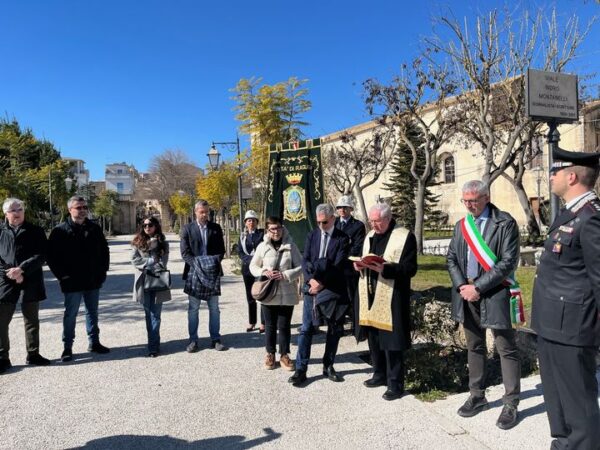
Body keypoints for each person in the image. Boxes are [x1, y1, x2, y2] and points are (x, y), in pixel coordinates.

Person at [531, 148, 600, 450]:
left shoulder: (591, 218)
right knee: (556, 392)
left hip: (573, 326)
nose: (550, 176)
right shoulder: (569, 212)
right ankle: (564, 440)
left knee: (578, 397)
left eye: (555, 171)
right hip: (551, 323)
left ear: (571, 176)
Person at [446, 180, 521, 430]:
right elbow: (452, 258)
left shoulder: (505, 223)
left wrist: (478, 287)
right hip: (466, 294)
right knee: (474, 346)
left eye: (474, 200)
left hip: (495, 293)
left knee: (505, 348)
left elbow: (508, 261)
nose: (470, 205)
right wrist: (462, 287)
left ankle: (511, 403)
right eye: (465, 201)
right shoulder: (461, 226)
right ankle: (477, 396)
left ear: (486, 197)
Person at [353, 202, 417, 401]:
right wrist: (359, 265)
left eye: (377, 221)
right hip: (370, 293)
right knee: (374, 339)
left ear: (388, 219)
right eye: (371, 221)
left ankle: (395, 384)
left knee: (392, 342)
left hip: (393, 296)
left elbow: (410, 269)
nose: (373, 225)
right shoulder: (370, 236)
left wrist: (386, 269)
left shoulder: (405, 236)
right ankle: (379, 374)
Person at [288, 203, 350, 387]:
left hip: (332, 289)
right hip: (312, 288)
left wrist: (322, 284)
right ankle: (301, 369)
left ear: (333, 219)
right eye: (318, 223)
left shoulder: (342, 238)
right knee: (306, 328)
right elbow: (305, 259)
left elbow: (337, 266)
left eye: (324, 222)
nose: (321, 226)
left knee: (334, 329)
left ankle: (328, 366)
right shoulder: (312, 235)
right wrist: (311, 281)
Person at [48, 196, 110, 362]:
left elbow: (104, 251)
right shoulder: (59, 231)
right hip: (71, 282)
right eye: (78, 207)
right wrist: (63, 276)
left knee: (92, 313)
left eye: (84, 207)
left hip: (92, 280)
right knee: (70, 315)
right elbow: (52, 258)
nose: (82, 210)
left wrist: (102, 272)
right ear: (70, 210)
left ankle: (94, 343)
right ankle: (67, 347)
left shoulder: (95, 228)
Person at [0, 198, 51, 373]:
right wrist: (10, 273)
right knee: (1, 321)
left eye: (20, 209)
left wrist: (21, 270)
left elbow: (42, 254)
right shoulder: (0, 231)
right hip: (5, 281)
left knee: (31, 320)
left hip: (31, 279)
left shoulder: (35, 230)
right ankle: (3, 358)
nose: (17, 212)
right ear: (6, 213)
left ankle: (33, 354)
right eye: (13, 210)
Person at [249, 217, 302, 370]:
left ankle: (284, 355)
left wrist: (286, 274)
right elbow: (253, 266)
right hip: (269, 293)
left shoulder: (290, 245)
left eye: (278, 228)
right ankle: (270, 354)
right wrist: (264, 271)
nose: (276, 231)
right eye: (272, 228)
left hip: (287, 292)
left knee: (285, 325)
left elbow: (300, 266)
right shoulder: (262, 247)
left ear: (282, 228)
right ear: (267, 230)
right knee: (270, 325)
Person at [180, 199, 227, 352]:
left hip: (212, 273)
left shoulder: (216, 228)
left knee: (214, 307)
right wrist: (199, 266)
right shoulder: (187, 229)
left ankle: (215, 339)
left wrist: (211, 264)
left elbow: (221, 250)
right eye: (202, 212)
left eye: (207, 212)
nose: (205, 215)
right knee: (193, 308)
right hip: (194, 273)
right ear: (196, 212)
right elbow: (185, 253)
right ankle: (193, 340)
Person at [131, 217, 171, 357]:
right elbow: (135, 260)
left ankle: (153, 345)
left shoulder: (163, 243)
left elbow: (163, 262)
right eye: (144, 225)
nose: (147, 227)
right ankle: (153, 343)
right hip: (144, 281)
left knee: (156, 315)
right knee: (148, 314)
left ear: (156, 226)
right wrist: (150, 260)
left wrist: (154, 252)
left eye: (150, 225)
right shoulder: (137, 242)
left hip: (158, 281)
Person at [334, 195, 366, 335]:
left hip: (349, 265)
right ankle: (338, 325)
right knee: (338, 297)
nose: (342, 210)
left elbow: (357, 245)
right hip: (335, 266)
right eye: (340, 208)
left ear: (350, 209)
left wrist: (343, 257)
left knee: (353, 296)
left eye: (345, 208)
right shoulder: (333, 223)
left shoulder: (358, 225)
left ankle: (356, 326)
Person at [238, 210, 265, 333]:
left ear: (257, 222)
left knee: (261, 294)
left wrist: (256, 261)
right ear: (245, 223)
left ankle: (263, 322)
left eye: (253, 220)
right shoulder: (243, 236)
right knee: (250, 296)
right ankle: (252, 321)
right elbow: (240, 253)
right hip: (247, 269)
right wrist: (251, 260)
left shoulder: (262, 234)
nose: (251, 222)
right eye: (249, 220)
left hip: (260, 268)